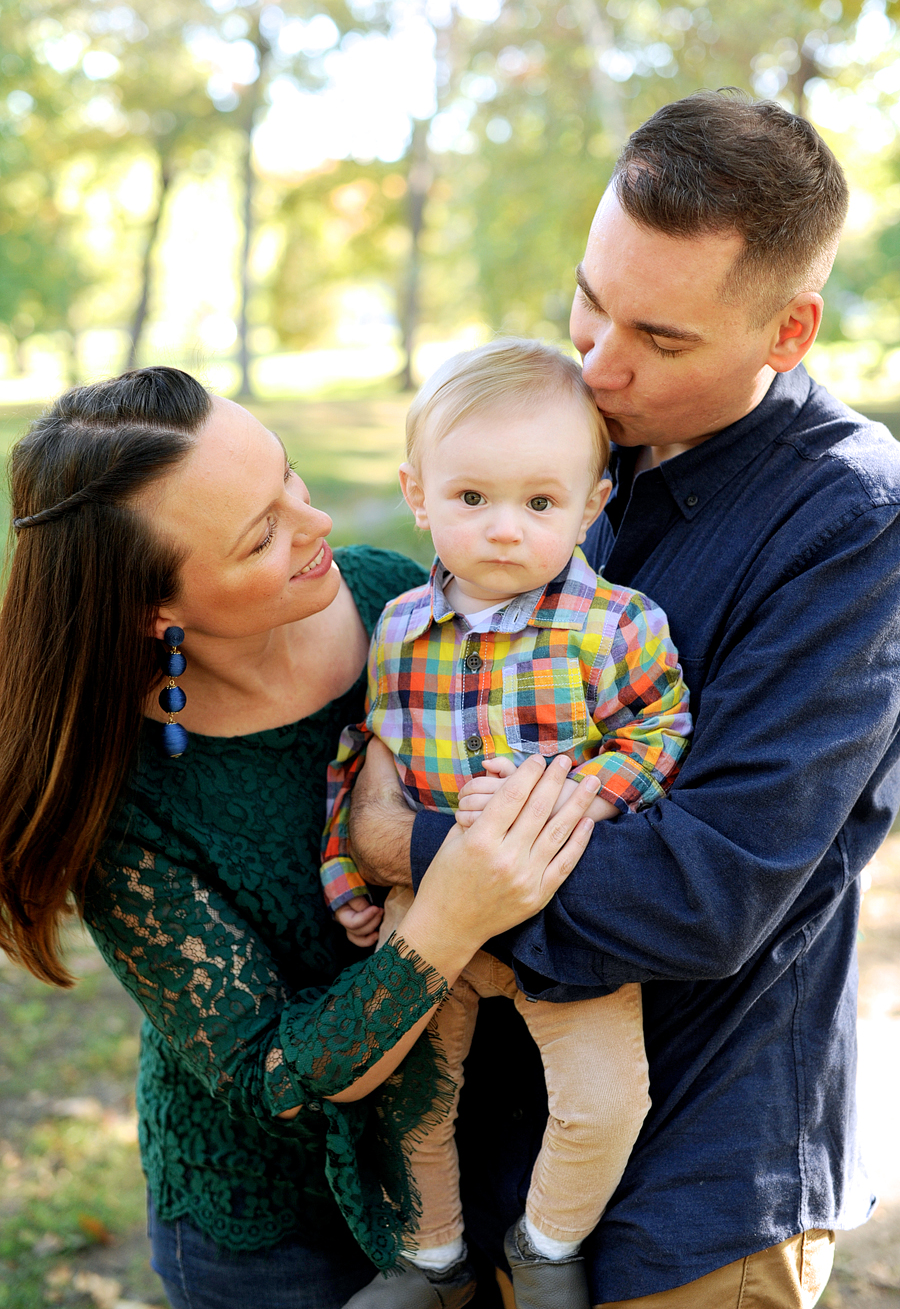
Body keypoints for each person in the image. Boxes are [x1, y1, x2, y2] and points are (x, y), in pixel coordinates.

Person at [344, 90, 900, 1308]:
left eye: (662, 336)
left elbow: (708, 891)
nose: (597, 364)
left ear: (789, 331)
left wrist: (407, 844)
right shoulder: (568, 446)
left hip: (694, 1195)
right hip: (488, 1163)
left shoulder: (853, 522)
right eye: (589, 300)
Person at [0, 366, 600, 1309]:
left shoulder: (394, 603)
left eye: (290, 481)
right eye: (262, 534)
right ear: (159, 611)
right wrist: (443, 913)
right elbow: (272, 1074)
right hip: (270, 1229)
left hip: (457, 1164)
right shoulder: (125, 804)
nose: (314, 525)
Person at [320, 338, 692, 1309]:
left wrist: (571, 793)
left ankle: (546, 1243)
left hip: (559, 902)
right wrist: (351, 880)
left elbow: (659, 729)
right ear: (418, 492)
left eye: (540, 502)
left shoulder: (615, 625)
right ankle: (431, 1256)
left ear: (591, 501)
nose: (501, 531)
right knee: (410, 1090)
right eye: (471, 498)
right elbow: (370, 761)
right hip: (430, 898)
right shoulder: (398, 627)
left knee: (606, 1099)